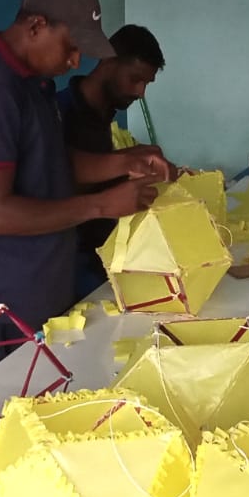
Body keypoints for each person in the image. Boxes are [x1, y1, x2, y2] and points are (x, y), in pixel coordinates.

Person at [0, 0, 169, 355]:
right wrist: (101, 204)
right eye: (70, 46)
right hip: (9, 300)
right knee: (19, 405)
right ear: (36, 26)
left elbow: (50, 162)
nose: (76, 59)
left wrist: (123, 164)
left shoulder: (32, 83)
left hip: (45, 282)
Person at [56, 24, 173, 295]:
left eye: (146, 83)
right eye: (135, 79)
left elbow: (97, 169)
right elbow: (57, 176)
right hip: (70, 264)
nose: (141, 92)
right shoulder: (60, 114)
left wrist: (133, 162)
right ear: (109, 62)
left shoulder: (104, 113)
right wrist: (126, 164)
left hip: (106, 255)